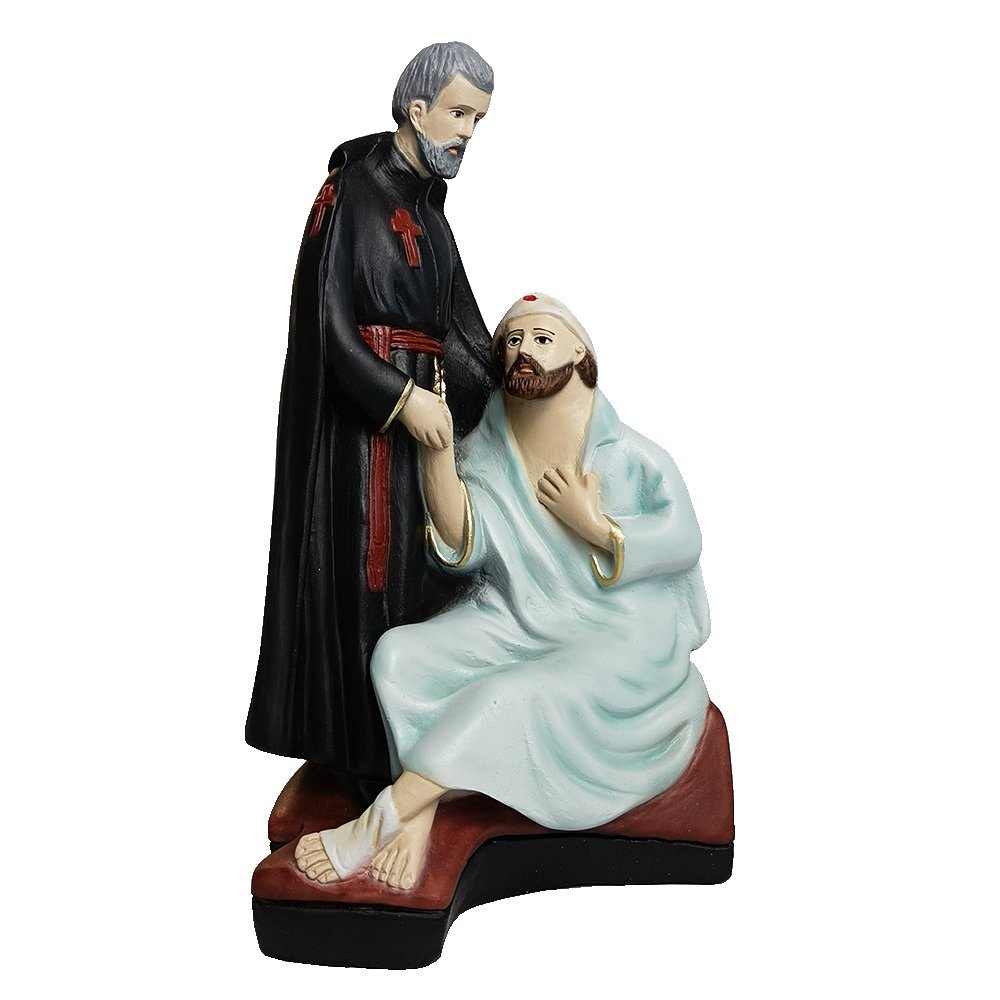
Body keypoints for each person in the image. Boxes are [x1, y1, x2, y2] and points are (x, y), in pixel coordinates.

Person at [293, 293, 713, 890]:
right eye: (513, 341)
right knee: (400, 658)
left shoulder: (631, 456)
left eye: (542, 339)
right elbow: (464, 543)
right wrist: (439, 454)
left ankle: (381, 821)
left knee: (510, 696)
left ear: (581, 354)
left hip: (622, 634)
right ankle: (426, 808)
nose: (524, 352)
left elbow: (684, 540)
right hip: (518, 617)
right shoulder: (491, 448)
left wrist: (595, 526)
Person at [245, 43, 499, 798]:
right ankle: (358, 768)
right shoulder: (348, 192)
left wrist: (515, 378)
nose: (468, 133)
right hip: (358, 444)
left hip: (427, 439)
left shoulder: (431, 215)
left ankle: (411, 763)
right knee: (362, 585)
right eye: (459, 113)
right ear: (416, 110)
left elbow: (461, 330)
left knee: (424, 589)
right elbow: (324, 326)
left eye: (479, 119)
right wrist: (400, 396)